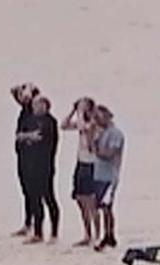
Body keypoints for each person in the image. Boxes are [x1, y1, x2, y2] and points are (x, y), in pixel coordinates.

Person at [17, 95, 60, 243]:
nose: (35, 108)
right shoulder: (30, 120)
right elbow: (19, 136)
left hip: (45, 166)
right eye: (34, 105)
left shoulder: (50, 122)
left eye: (39, 105)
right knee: (33, 198)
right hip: (30, 165)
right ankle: (38, 232)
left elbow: (39, 137)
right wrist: (27, 136)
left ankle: (54, 232)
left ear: (46, 106)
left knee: (48, 197)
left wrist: (27, 136)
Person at [62, 97, 100, 246]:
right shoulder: (82, 123)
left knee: (92, 201)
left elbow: (90, 140)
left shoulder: (94, 124)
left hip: (92, 164)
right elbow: (64, 125)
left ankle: (98, 234)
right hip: (81, 163)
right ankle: (87, 233)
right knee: (79, 199)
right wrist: (72, 110)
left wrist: (81, 115)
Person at [91, 106, 124, 251]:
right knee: (103, 207)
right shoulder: (101, 133)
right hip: (99, 175)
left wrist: (96, 148)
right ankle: (108, 235)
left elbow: (110, 153)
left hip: (110, 175)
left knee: (107, 206)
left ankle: (109, 235)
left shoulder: (115, 133)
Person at [9, 83, 39, 237]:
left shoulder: (34, 113)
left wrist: (31, 91)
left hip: (31, 158)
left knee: (32, 191)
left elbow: (29, 100)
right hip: (21, 155)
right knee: (26, 191)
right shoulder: (24, 112)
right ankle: (28, 222)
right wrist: (18, 90)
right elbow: (14, 93)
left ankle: (32, 223)